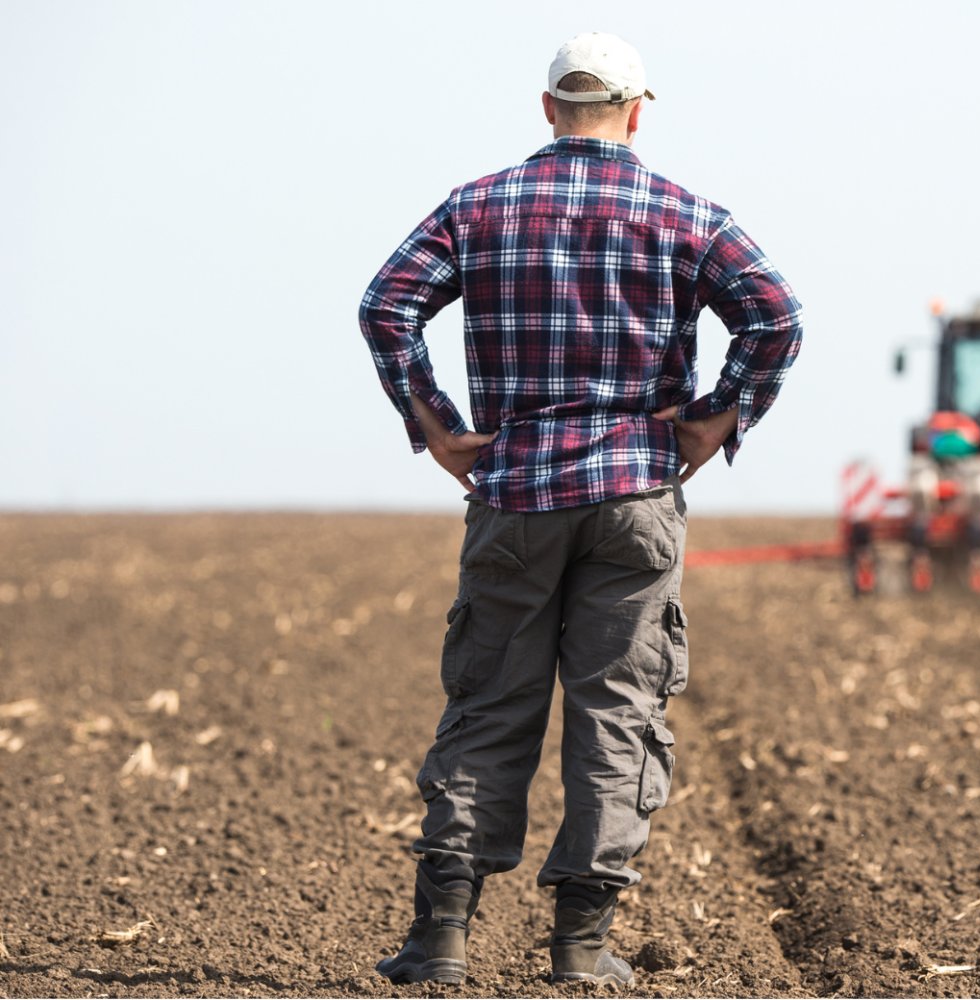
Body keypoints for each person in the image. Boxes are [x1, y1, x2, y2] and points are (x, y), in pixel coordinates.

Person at [356, 32, 802, 986]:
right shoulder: (687, 214)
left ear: (548, 108)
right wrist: (718, 418)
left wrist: (434, 424)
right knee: (618, 714)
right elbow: (777, 316)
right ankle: (583, 949)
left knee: (489, 708)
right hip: (636, 496)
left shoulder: (477, 207)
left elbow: (386, 305)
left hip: (514, 493)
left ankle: (440, 943)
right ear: (638, 111)